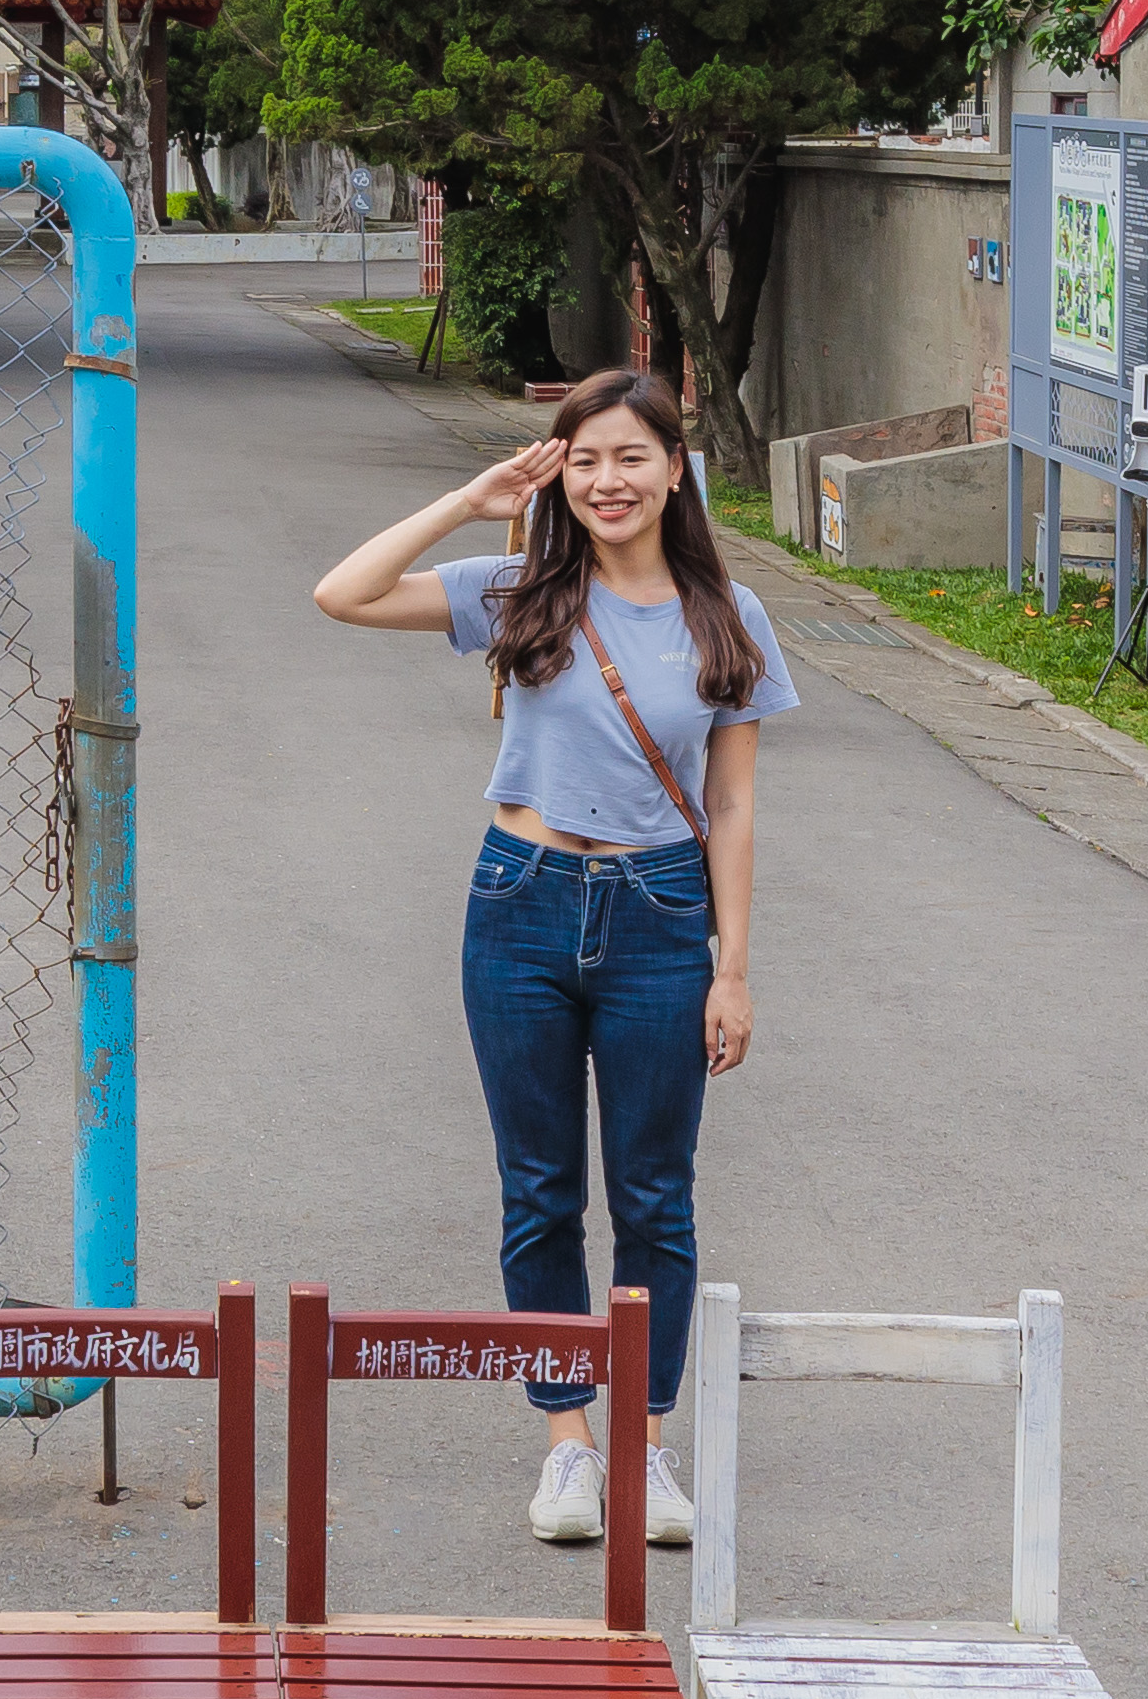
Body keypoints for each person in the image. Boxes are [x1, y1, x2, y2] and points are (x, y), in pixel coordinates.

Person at [311, 366, 794, 1541]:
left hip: (661, 913)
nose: (606, 480)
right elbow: (343, 593)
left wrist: (733, 969)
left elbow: (732, 806)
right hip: (519, 901)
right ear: (558, 474)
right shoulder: (521, 588)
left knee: (655, 1195)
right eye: (582, 460)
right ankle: (568, 1442)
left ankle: (644, 1445)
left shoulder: (726, 614)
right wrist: (470, 500)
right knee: (539, 1192)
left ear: (674, 469)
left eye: (630, 456)